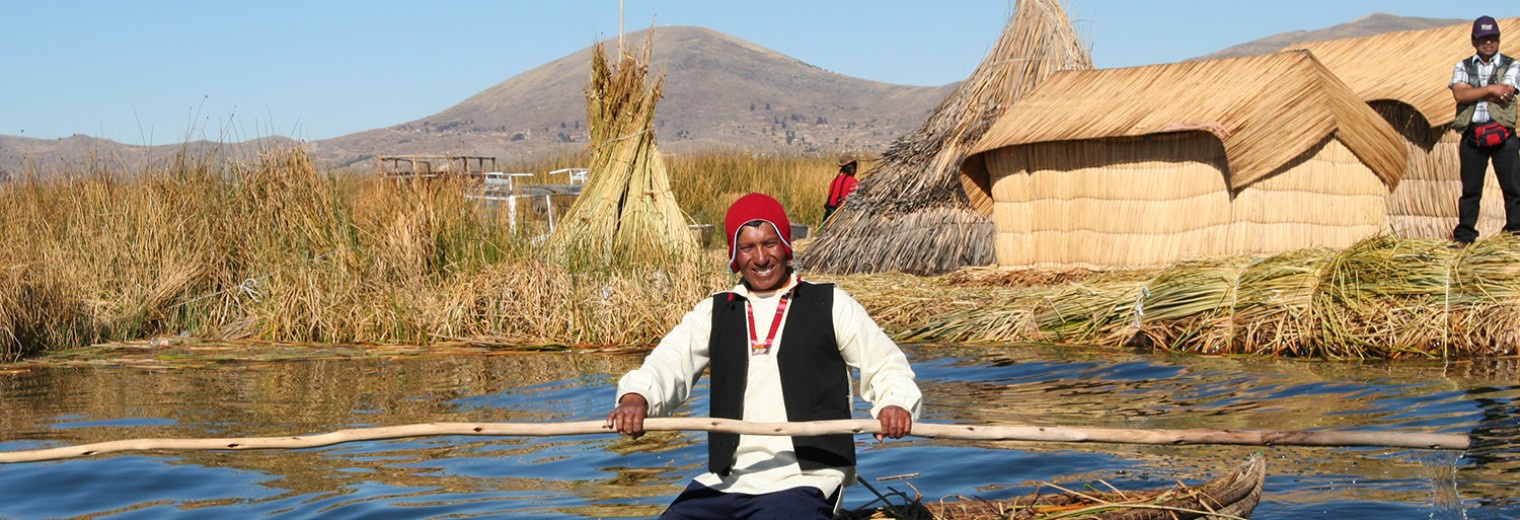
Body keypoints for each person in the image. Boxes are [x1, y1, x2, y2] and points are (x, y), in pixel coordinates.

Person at [606, 192, 921, 519]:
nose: (760, 258)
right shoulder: (714, 311)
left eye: (769, 243)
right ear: (734, 255)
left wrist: (894, 403)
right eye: (747, 247)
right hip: (725, 481)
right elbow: (669, 362)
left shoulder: (831, 304)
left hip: (807, 480)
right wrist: (636, 397)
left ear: (786, 245)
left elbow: (886, 364)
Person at [1450, 15, 1520, 247]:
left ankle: (1515, 232)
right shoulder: (1462, 65)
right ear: (1474, 41)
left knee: (1513, 187)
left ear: (1498, 39)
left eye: (1492, 38)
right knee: (1470, 190)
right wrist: (1491, 88)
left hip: (1504, 136)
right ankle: (1465, 236)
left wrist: (1476, 90)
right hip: (1473, 135)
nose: (1488, 43)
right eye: (1483, 39)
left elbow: (1507, 92)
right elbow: (1460, 94)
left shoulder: (1513, 64)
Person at [821, 159, 859, 227]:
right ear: (852, 169)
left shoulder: (834, 181)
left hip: (830, 214)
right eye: (855, 169)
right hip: (842, 214)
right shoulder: (853, 182)